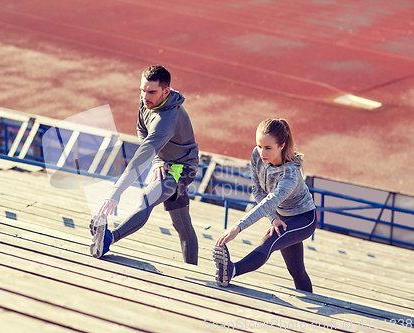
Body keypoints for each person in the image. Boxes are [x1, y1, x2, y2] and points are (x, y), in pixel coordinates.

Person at [90, 65, 199, 264]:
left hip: (181, 167)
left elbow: (141, 158)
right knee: (183, 225)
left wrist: (116, 192)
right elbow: (142, 131)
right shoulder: (148, 101)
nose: (145, 96)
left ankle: (109, 238)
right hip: (165, 161)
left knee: (148, 198)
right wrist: (157, 159)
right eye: (142, 89)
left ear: (166, 92)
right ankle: (194, 271)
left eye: (151, 92)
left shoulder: (166, 120)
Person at [213, 118, 316, 292]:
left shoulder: (290, 174)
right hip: (281, 216)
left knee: (270, 240)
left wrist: (237, 228)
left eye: (268, 148)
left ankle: (232, 270)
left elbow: (270, 201)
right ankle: (310, 303)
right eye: (259, 146)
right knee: (297, 272)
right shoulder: (257, 155)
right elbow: (258, 190)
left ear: (282, 145)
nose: (262, 152)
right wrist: (274, 217)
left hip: (303, 217)